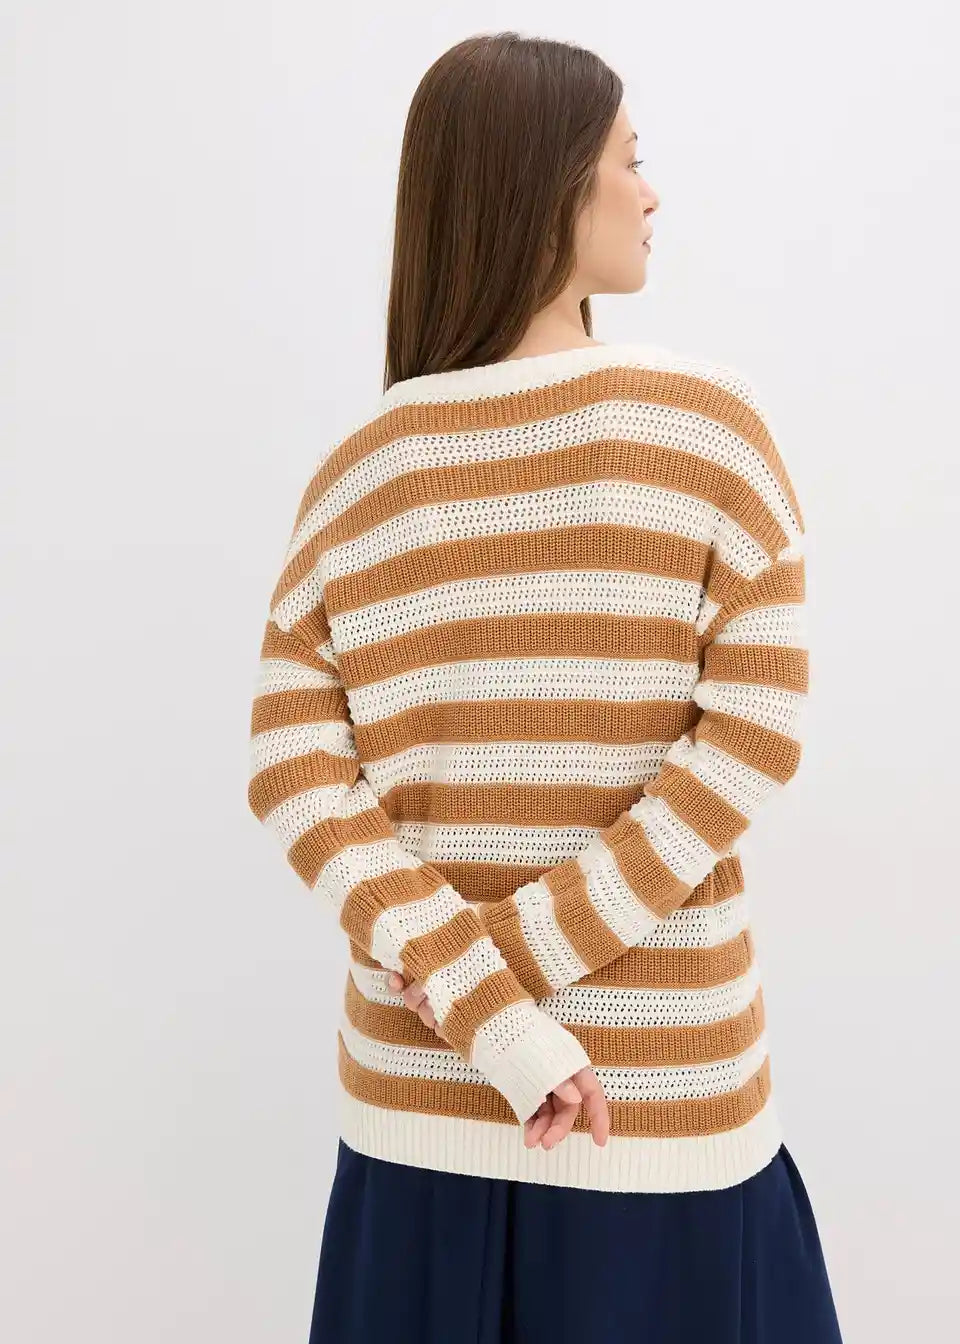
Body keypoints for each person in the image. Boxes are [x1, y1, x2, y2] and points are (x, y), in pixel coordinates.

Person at [246, 29, 844, 1344]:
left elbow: (295, 779)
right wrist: (503, 991)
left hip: (417, 1113)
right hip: (655, 1116)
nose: (651, 192)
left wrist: (478, 989)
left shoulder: (354, 476)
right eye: (631, 159)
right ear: (551, 183)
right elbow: (751, 743)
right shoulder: (708, 428)